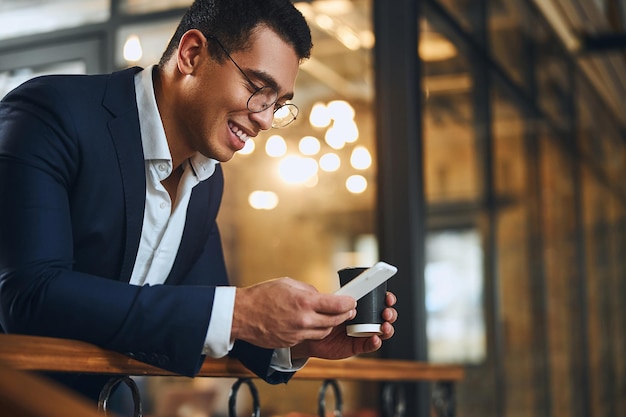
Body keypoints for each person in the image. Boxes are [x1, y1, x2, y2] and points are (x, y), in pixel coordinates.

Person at [0, 0, 397, 403]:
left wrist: (300, 342)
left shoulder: (207, 180)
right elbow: (28, 297)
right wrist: (240, 310)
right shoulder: (51, 114)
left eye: (277, 103)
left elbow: (201, 314)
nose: (264, 119)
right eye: (258, 89)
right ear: (192, 54)